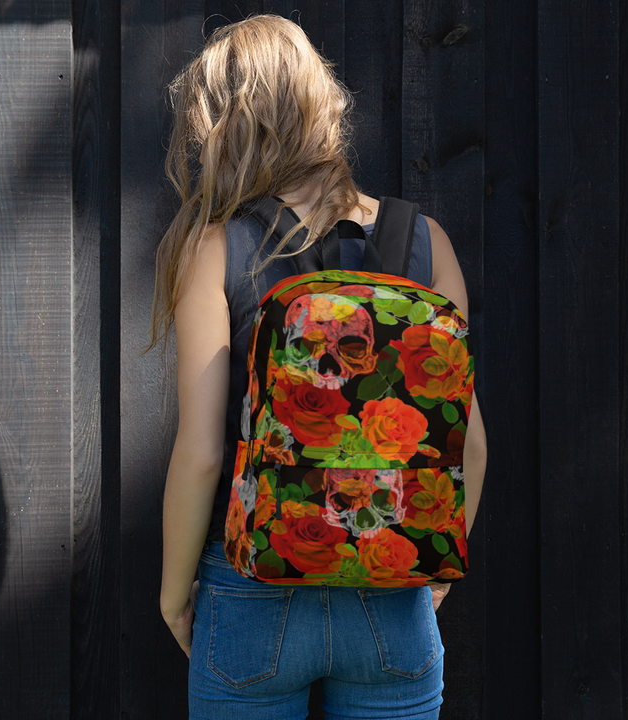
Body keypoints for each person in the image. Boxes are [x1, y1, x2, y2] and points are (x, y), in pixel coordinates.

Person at [151, 14, 487, 720]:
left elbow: (203, 454)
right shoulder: (426, 241)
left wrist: (174, 596)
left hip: (253, 585)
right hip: (392, 589)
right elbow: (470, 445)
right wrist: (432, 578)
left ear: (224, 126)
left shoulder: (216, 246)